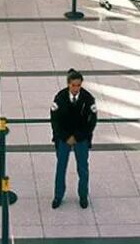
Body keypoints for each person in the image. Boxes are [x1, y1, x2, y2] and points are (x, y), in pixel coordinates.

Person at [50, 69, 97, 209]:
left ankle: (83, 195)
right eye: (73, 85)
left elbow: (92, 121)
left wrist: (77, 137)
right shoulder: (60, 97)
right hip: (63, 138)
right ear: (68, 84)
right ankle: (58, 196)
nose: (76, 88)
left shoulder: (88, 99)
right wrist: (65, 137)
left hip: (81, 139)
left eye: (78, 85)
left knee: (83, 168)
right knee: (61, 167)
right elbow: (54, 120)